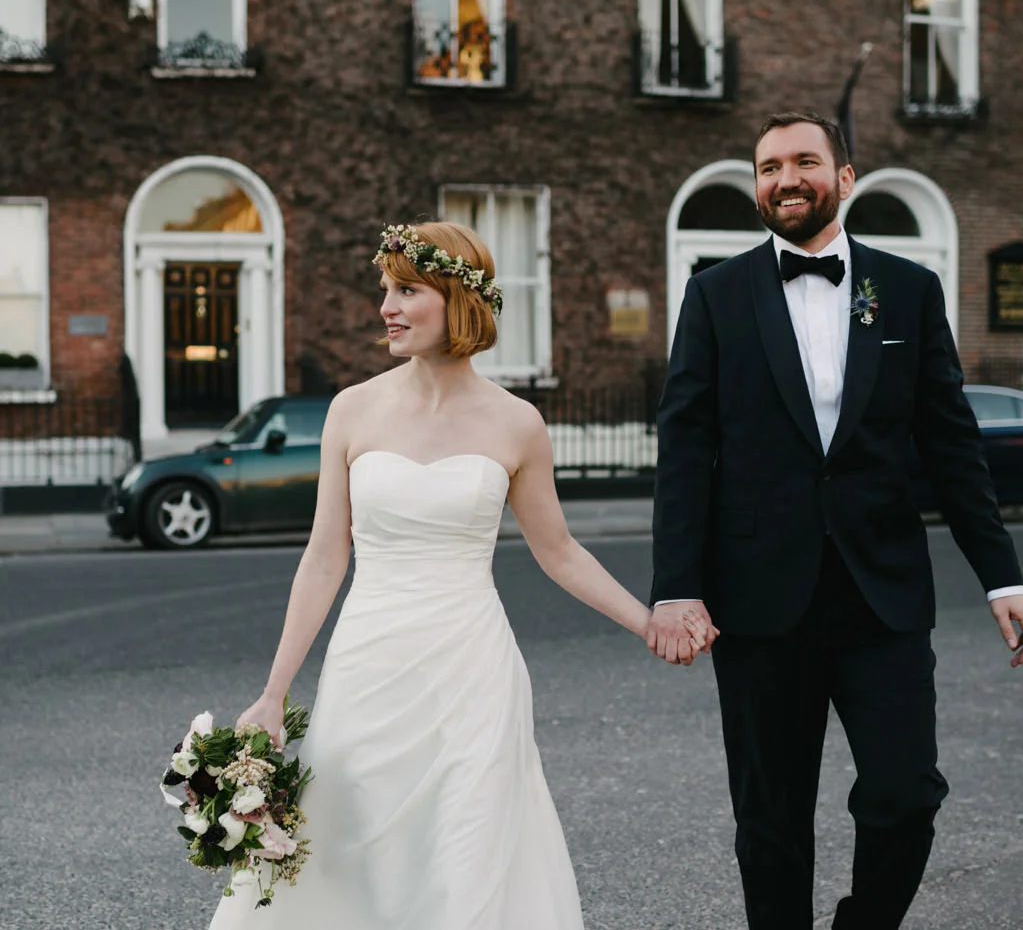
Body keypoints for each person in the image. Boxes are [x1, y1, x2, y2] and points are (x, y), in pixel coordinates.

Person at [211, 221, 716, 928]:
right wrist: (273, 694)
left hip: (473, 671)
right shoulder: (351, 410)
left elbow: (560, 550)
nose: (387, 305)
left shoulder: (518, 423)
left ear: (459, 298)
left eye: (407, 290)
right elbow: (326, 554)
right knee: (355, 851)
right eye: (385, 288)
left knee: (469, 854)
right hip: (370, 668)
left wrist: (649, 620)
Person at [645, 111, 1023, 930]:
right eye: (767, 167)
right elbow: (685, 450)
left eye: (803, 162)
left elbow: (951, 442)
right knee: (771, 821)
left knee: (906, 794)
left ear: (845, 177)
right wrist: (676, 588)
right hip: (758, 602)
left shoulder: (907, 289)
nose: (784, 179)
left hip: (881, 598)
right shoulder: (715, 295)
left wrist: (1000, 573)